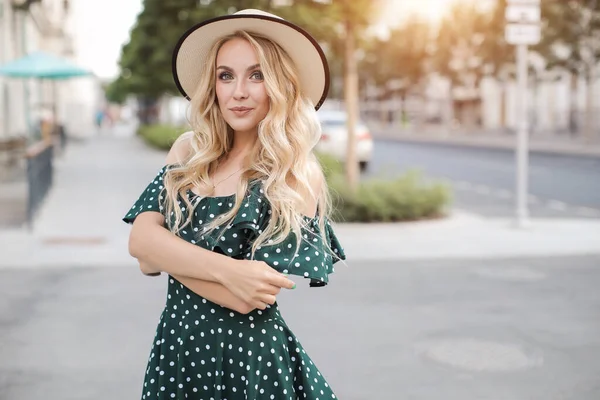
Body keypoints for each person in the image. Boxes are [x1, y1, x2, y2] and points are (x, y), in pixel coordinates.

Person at [123, 8, 346, 400]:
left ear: (280, 85)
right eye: (226, 75)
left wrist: (166, 252)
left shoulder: (296, 172)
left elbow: (249, 297)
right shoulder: (188, 150)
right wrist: (229, 270)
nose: (238, 91)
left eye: (256, 75)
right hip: (178, 356)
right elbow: (141, 251)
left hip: (251, 364)